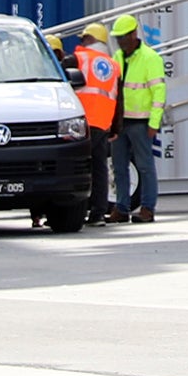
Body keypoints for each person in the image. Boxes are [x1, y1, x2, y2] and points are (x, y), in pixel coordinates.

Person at [110, 13, 168, 224]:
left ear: (134, 34)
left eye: (123, 37)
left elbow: (159, 93)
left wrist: (154, 122)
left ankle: (147, 208)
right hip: (120, 122)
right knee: (119, 166)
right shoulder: (117, 57)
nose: (121, 42)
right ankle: (122, 208)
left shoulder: (150, 58)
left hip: (141, 122)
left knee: (145, 166)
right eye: (118, 38)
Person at [66, 22, 118, 228]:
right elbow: (118, 98)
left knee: (77, 166)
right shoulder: (113, 65)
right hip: (103, 122)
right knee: (99, 168)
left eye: (83, 38)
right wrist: (115, 127)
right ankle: (98, 213)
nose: (81, 42)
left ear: (91, 39)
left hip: (83, 121)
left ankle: (76, 210)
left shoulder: (79, 58)